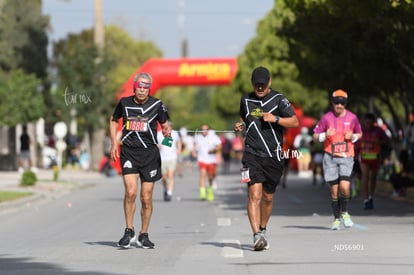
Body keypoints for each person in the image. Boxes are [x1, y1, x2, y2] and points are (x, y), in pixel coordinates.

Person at [234, 66, 299, 251]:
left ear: (269, 83)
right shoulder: (246, 99)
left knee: (268, 197)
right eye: (256, 85)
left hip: (273, 156)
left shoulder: (279, 99)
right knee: (254, 195)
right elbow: (243, 118)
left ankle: (262, 229)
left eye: (263, 84)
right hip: (251, 154)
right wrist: (239, 125)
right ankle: (256, 236)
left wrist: (276, 119)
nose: (259, 88)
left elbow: (294, 121)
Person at [109, 72, 171, 249]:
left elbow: (166, 124)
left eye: (145, 87)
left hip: (150, 154)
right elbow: (114, 121)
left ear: (149, 89)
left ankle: (144, 234)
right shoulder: (124, 103)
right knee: (130, 192)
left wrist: (167, 131)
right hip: (129, 152)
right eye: (139, 86)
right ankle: (129, 230)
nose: (142, 90)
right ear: (134, 87)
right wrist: (114, 142)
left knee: (146, 197)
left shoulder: (157, 104)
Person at [312, 89, 362, 230]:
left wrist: (353, 136)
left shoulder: (353, 118)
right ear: (332, 103)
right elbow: (315, 136)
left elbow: (360, 133)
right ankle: (336, 219)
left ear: (345, 104)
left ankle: (345, 213)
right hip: (330, 157)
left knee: (345, 188)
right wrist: (324, 135)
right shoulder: (326, 118)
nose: (339, 105)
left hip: (347, 156)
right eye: (336, 103)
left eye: (342, 103)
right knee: (334, 191)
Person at [358, 113, 390, 209]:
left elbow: (387, 141)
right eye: (367, 123)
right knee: (365, 176)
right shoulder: (360, 130)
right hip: (363, 157)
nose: (369, 125)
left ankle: (371, 197)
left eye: (371, 123)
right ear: (364, 122)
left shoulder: (379, 130)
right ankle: (365, 200)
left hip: (375, 157)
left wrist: (379, 142)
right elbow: (354, 142)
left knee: (373, 177)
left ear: (373, 123)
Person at [192, 124, 222, 202]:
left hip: (211, 160)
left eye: (205, 129)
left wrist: (214, 150)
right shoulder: (198, 137)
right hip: (201, 159)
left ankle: (210, 190)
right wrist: (194, 152)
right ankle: (202, 194)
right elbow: (194, 145)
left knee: (211, 177)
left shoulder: (213, 137)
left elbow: (219, 146)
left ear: (208, 130)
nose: (204, 131)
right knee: (202, 175)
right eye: (202, 129)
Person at [157, 125, 182, 201]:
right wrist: (158, 146)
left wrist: (179, 150)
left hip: (172, 157)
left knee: (170, 175)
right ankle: (166, 189)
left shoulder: (174, 133)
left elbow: (178, 142)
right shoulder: (159, 133)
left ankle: (169, 193)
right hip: (162, 158)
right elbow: (155, 143)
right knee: (164, 177)